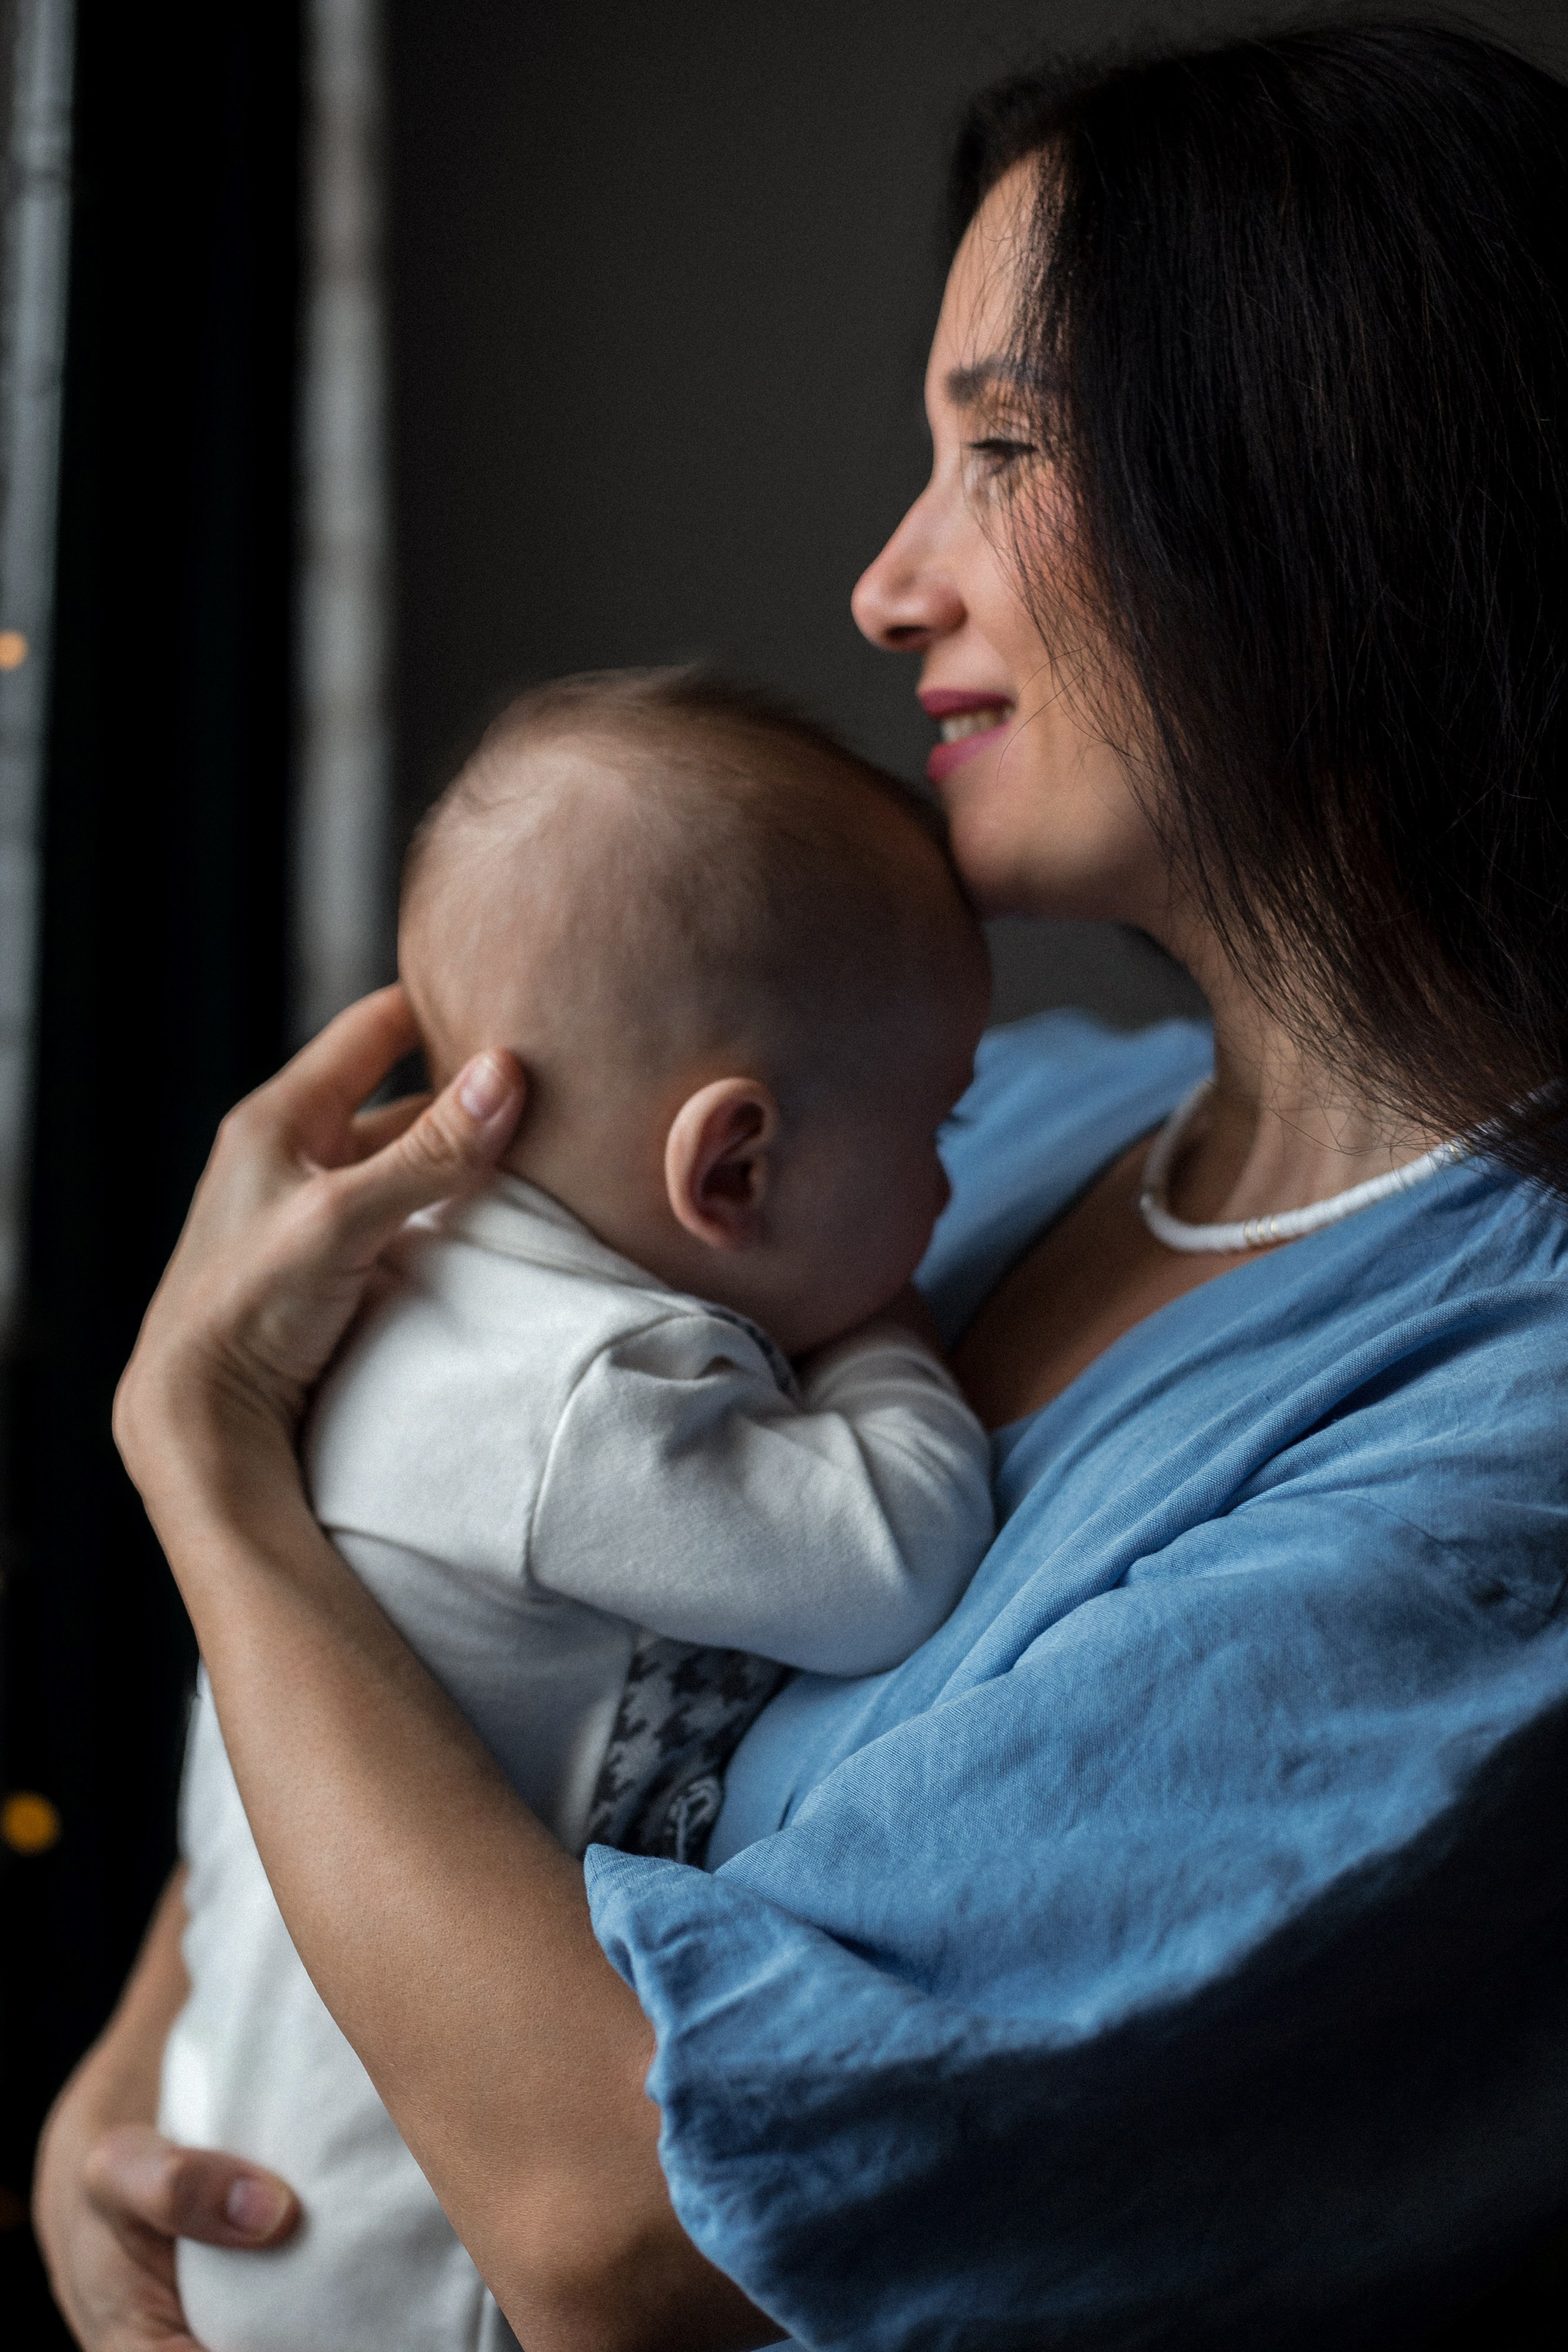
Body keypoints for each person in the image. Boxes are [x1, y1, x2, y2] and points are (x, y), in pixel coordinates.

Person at [34, 21, 1568, 2351]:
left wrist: (199, 1465)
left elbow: (631, 2233)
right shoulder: (1002, 1118)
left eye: (1006, 447)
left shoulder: (1504, 1435)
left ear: (1331, 484)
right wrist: (156, 2076)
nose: (884, 582)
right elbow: (423, 1626)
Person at [161, 668, 993, 2352]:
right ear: (734, 1169)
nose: (951, 1192)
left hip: (242, 2135)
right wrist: (896, 1332)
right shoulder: (580, 1395)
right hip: (408, 2253)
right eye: (937, 1128)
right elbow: (892, 1559)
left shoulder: (412, 1301)